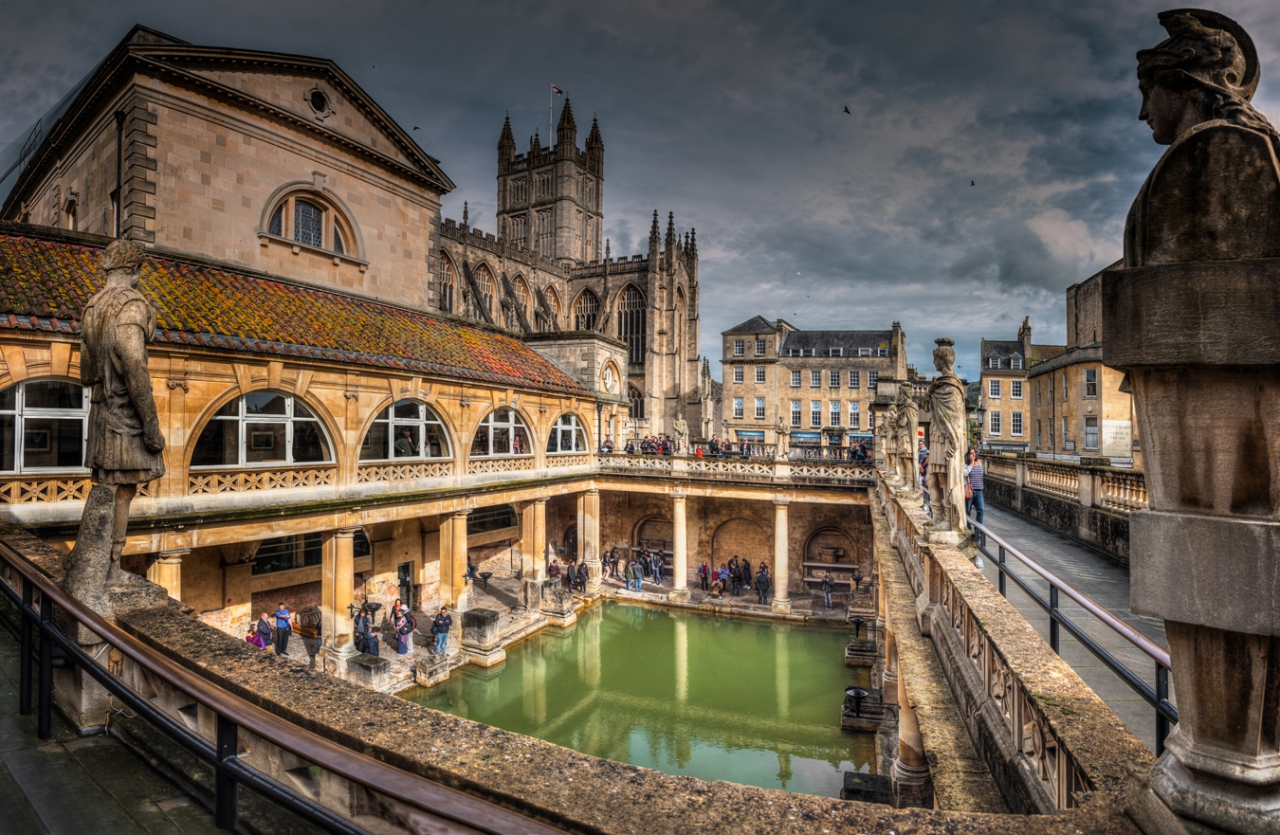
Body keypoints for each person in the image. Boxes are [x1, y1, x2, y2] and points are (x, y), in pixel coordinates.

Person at [966, 448, 986, 527]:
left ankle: (978, 530)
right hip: (969, 491)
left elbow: (981, 474)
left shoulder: (979, 462)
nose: (973, 454)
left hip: (979, 491)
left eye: (974, 452)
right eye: (971, 453)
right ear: (968, 455)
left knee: (981, 510)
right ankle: (968, 530)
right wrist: (971, 464)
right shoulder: (966, 463)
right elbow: (964, 474)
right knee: (967, 512)